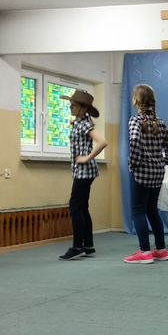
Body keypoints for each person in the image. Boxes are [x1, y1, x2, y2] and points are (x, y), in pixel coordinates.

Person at [123, 84, 168, 264]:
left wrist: (134, 163)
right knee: (152, 210)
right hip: (157, 172)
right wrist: (166, 160)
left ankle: (145, 251)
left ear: (136, 100)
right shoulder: (160, 122)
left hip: (142, 173)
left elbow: (134, 140)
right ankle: (161, 250)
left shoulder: (135, 120)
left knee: (138, 211)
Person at [58, 90, 108, 260]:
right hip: (82, 171)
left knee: (75, 207)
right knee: (82, 207)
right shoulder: (79, 122)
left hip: (84, 172)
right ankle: (88, 245)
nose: (70, 107)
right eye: (70, 105)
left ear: (83, 108)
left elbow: (102, 142)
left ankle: (77, 246)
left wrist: (87, 157)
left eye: (73, 105)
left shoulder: (85, 124)